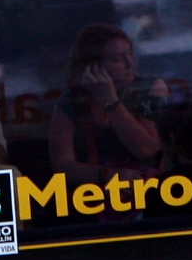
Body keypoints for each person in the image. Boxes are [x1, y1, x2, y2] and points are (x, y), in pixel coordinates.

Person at [58, 24, 164, 176]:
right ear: (92, 67)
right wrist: (107, 175)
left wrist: (110, 101)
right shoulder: (70, 102)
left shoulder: (149, 88)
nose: (129, 64)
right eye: (116, 59)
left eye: (130, 55)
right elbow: (63, 165)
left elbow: (146, 149)